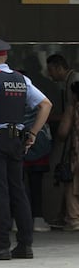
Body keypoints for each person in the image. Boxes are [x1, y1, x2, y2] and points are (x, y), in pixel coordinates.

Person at [0, 37, 52, 260]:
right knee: (19, 191)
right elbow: (46, 104)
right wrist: (33, 133)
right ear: (6, 57)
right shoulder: (22, 79)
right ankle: (25, 245)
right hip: (18, 140)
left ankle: (0, 245)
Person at [46, 54, 79, 230]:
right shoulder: (70, 80)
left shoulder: (73, 82)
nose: (50, 75)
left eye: (51, 70)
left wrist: (61, 132)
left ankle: (71, 217)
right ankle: (66, 215)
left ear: (59, 67)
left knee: (70, 177)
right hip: (73, 138)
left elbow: (69, 112)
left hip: (74, 139)